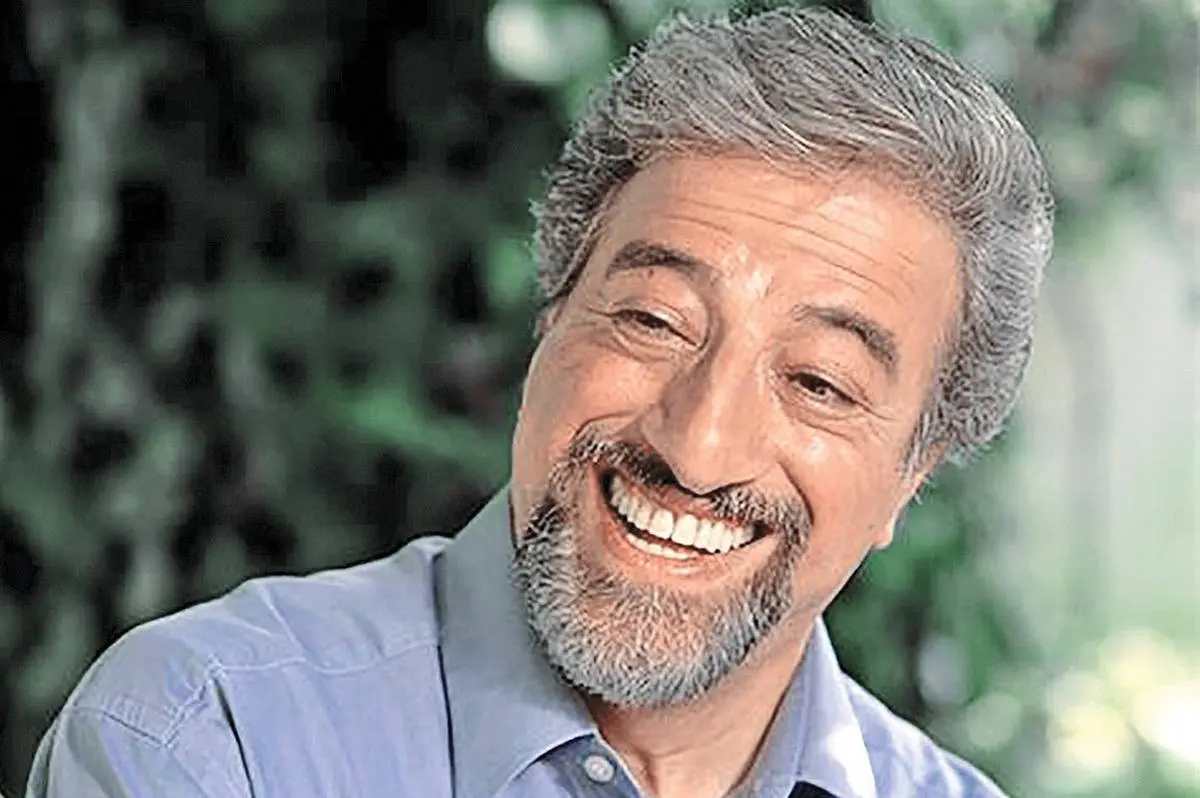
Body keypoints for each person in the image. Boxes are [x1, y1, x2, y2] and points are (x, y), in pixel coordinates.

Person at [26, 6, 1053, 798]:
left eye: (819, 383)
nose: (699, 449)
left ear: (910, 475)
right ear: (552, 315)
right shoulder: (214, 737)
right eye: (653, 321)